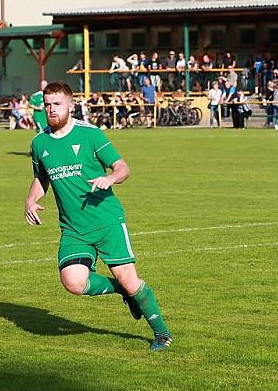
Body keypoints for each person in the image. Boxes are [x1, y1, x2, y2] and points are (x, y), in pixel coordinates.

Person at [24, 81, 172, 352]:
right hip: (73, 229)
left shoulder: (90, 135)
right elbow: (40, 177)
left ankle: (162, 334)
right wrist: (31, 200)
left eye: (57, 104)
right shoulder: (39, 142)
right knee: (74, 282)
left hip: (106, 221)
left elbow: (123, 167)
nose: (51, 109)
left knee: (131, 280)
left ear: (71, 105)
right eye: (47, 104)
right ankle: (122, 292)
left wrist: (110, 178)